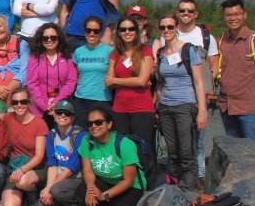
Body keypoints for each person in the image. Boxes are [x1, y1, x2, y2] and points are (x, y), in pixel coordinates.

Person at [154, 13, 207, 191]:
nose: (166, 30)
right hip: (166, 107)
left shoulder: (189, 50)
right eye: (163, 27)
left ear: (176, 27)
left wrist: (202, 111)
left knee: (187, 150)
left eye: (170, 27)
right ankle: (177, 185)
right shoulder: (161, 53)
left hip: (185, 105)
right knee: (173, 150)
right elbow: (161, 83)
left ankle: (190, 187)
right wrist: (156, 105)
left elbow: (199, 82)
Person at [172, 0, 220, 181]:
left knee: (199, 140)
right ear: (178, 13)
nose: (186, 13)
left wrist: (204, 90)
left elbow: (213, 67)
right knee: (178, 139)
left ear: (196, 14)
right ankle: (179, 176)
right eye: (183, 10)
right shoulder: (170, 33)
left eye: (190, 10)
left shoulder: (206, 37)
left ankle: (198, 176)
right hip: (176, 96)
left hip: (199, 97)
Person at [77, 108, 145, 206]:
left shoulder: (125, 144)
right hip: (105, 180)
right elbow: (87, 169)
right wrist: (91, 189)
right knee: (81, 193)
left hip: (130, 186)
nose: (93, 126)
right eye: (90, 123)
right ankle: (111, 205)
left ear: (109, 124)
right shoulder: (88, 140)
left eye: (98, 122)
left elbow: (128, 181)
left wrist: (103, 196)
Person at [217, 0, 255, 140]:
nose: (233, 18)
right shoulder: (222, 40)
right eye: (228, 15)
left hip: (249, 108)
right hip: (227, 106)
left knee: (252, 151)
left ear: (245, 15)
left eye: (237, 14)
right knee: (233, 150)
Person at [106, 17, 155, 150]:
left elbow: (141, 81)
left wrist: (116, 81)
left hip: (141, 109)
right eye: (123, 29)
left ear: (136, 31)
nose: (127, 32)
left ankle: (145, 172)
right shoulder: (115, 54)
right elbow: (108, 82)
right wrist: (132, 81)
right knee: (123, 149)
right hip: (119, 109)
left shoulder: (146, 51)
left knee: (142, 149)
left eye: (131, 29)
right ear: (119, 32)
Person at [36, 100, 87, 206]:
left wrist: (49, 188)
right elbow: (52, 163)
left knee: (56, 190)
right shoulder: (52, 134)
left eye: (67, 113)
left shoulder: (80, 135)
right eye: (59, 112)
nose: (63, 115)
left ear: (73, 117)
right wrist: (49, 186)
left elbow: (71, 168)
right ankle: (64, 203)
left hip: (76, 178)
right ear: (54, 116)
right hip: (59, 178)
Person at [1, 87, 48, 206]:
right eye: (15, 102)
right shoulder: (8, 118)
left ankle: (32, 190)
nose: (19, 105)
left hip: (36, 167)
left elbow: (39, 156)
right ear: (11, 104)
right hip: (15, 166)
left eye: (23, 101)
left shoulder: (39, 123)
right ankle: (25, 191)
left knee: (22, 181)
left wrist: (22, 170)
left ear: (29, 102)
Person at [26, 24, 78, 120]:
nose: (49, 40)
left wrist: (56, 103)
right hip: (39, 109)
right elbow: (32, 84)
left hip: (62, 106)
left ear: (59, 38)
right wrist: (45, 106)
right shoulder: (35, 58)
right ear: (41, 40)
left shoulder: (68, 57)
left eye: (53, 37)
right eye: (45, 38)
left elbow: (71, 81)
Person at [71, 16, 114, 130]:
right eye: (88, 30)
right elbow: (75, 75)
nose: (92, 33)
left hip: (102, 100)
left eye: (96, 31)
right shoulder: (79, 51)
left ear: (101, 32)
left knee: (101, 135)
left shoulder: (109, 51)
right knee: (80, 135)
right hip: (81, 100)